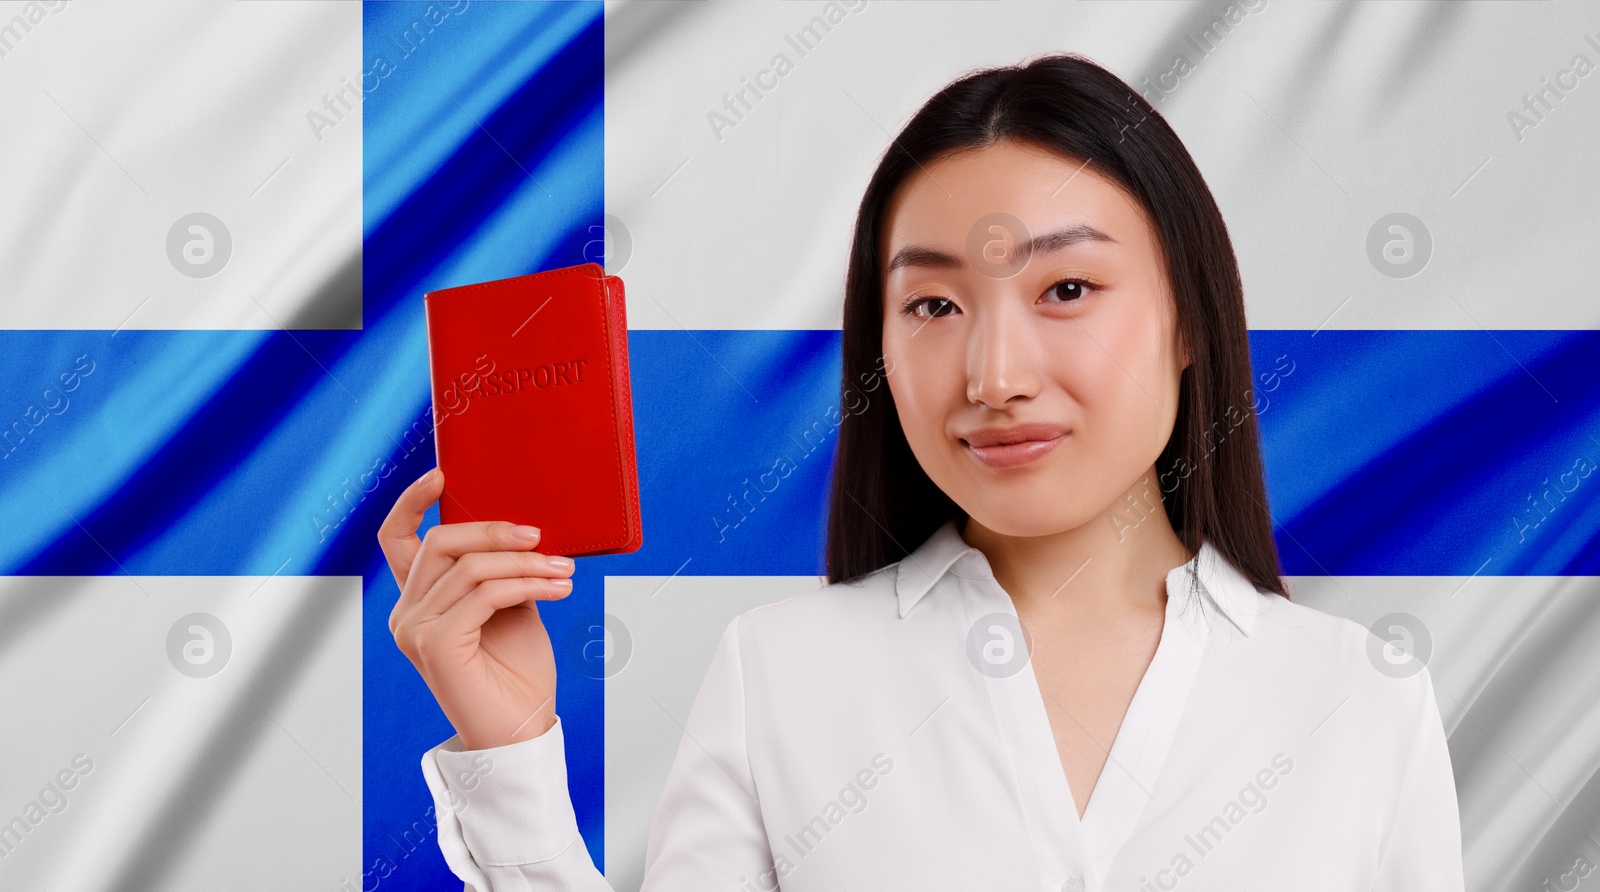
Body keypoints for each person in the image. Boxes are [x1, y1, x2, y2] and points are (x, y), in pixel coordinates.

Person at [380, 52, 1465, 891]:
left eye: (1067, 290)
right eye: (934, 306)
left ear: (1189, 317)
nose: (992, 375)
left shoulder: (1359, 699)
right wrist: (510, 744)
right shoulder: (782, 677)